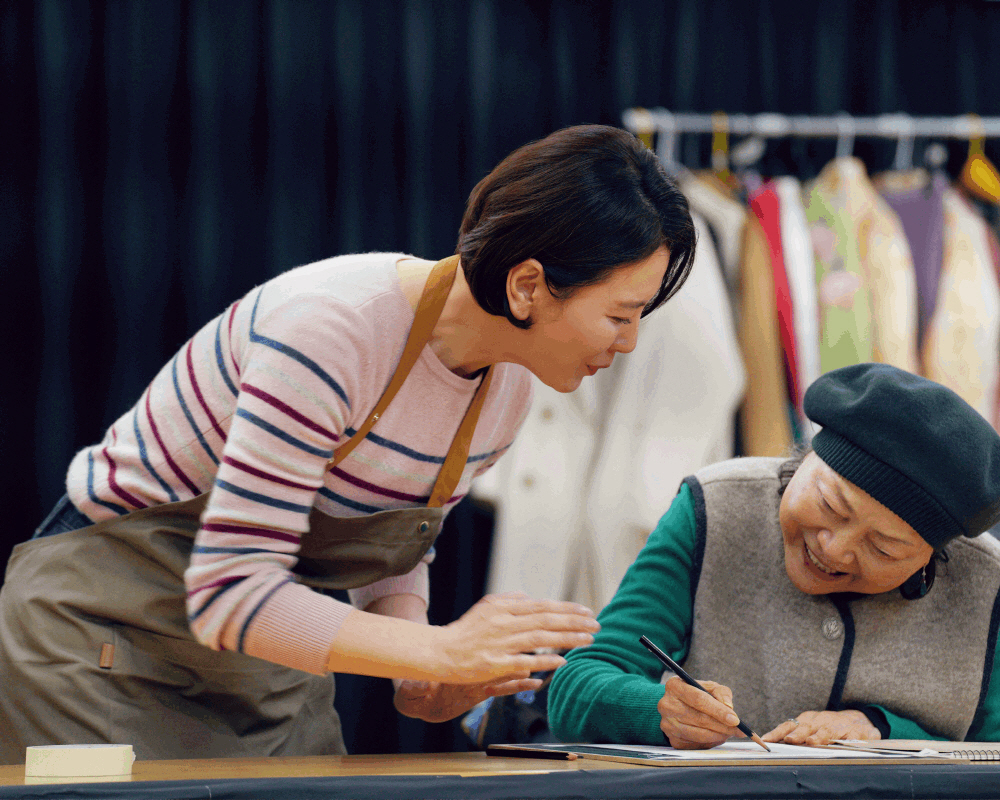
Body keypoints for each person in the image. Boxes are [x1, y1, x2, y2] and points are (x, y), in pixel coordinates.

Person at [0, 124, 696, 763]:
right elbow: (230, 592)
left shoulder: (505, 391)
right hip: (101, 639)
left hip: (260, 664)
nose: (628, 343)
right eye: (620, 314)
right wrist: (436, 647)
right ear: (527, 286)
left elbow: (383, 545)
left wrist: (420, 673)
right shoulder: (331, 332)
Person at [548, 362, 1000, 748]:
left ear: (933, 556)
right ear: (803, 461)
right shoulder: (716, 508)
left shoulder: (981, 580)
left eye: (883, 547)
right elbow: (576, 686)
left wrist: (883, 732)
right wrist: (659, 710)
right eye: (828, 504)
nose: (835, 548)